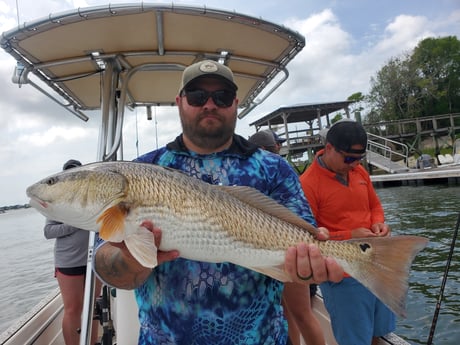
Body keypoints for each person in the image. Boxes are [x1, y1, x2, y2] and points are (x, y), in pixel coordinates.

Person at [94, 59, 344, 345]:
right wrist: (129, 259)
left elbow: (303, 249)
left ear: (235, 102)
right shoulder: (143, 171)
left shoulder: (275, 169)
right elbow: (105, 265)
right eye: (198, 96)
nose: (209, 104)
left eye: (222, 97)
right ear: (179, 102)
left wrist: (308, 267)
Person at [299, 120, 396, 345]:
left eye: (358, 159)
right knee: (354, 338)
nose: (353, 165)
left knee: (380, 331)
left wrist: (379, 224)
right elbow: (307, 237)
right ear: (329, 147)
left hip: (376, 264)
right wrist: (349, 235)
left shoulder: (359, 172)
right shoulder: (307, 184)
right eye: (349, 159)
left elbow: (374, 206)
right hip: (342, 274)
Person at [249, 129, 325, 345]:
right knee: (293, 314)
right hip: (273, 251)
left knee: (299, 314)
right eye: (275, 148)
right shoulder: (277, 169)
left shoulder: (274, 169)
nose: (278, 151)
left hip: (284, 249)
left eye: (278, 147)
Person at [44, 159, 103, 345]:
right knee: (72, 309)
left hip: (94, 260)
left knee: (92, 307)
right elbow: (48, 231)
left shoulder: (95, 200)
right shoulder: (57, 204)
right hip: (68, 262)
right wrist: (74, 223)